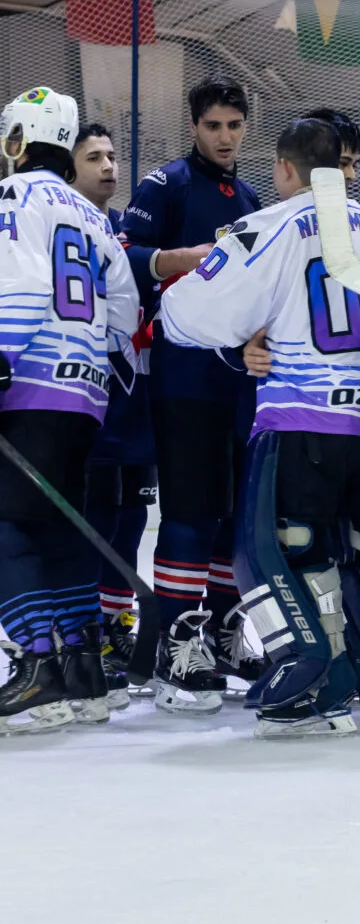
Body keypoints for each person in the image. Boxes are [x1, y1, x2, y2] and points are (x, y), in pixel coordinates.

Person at [158, 117, 360, 736]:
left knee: (280, 551)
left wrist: (241, 337)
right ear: (342, 168)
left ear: (286, 169)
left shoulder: (273, 223)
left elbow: (187, 314)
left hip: (310, 417)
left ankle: (315, 684)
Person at [0, 87, 139, 734]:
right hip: (85, 394)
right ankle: (83, 667)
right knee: (59, 528)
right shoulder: (93, 216)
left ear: (18, 142)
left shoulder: (14, 198)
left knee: (7, 526)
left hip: (28, 385)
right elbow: (125, 313)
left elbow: (21, 283)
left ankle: (37, 669)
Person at [121, 76, 262, 713]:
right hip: (181, 379)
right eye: (213, 127)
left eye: (234, 126)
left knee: (233, 519)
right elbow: (122, 257)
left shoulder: (255, 195)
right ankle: (177, 643)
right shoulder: (164, 184)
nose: (225, 137)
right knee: (188, 514)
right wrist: (187, 259)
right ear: (193, 125)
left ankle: (225, 635)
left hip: (241, 382)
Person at [73, 123, 156, 711]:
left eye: (110, 155)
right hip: (86, 393)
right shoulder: (59, 221)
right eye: (93, 157)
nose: (108, 165)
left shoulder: (118, 226)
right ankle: (80, 635)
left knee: (130, 516)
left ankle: (112, 626)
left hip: (134, 396)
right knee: (93, 517)